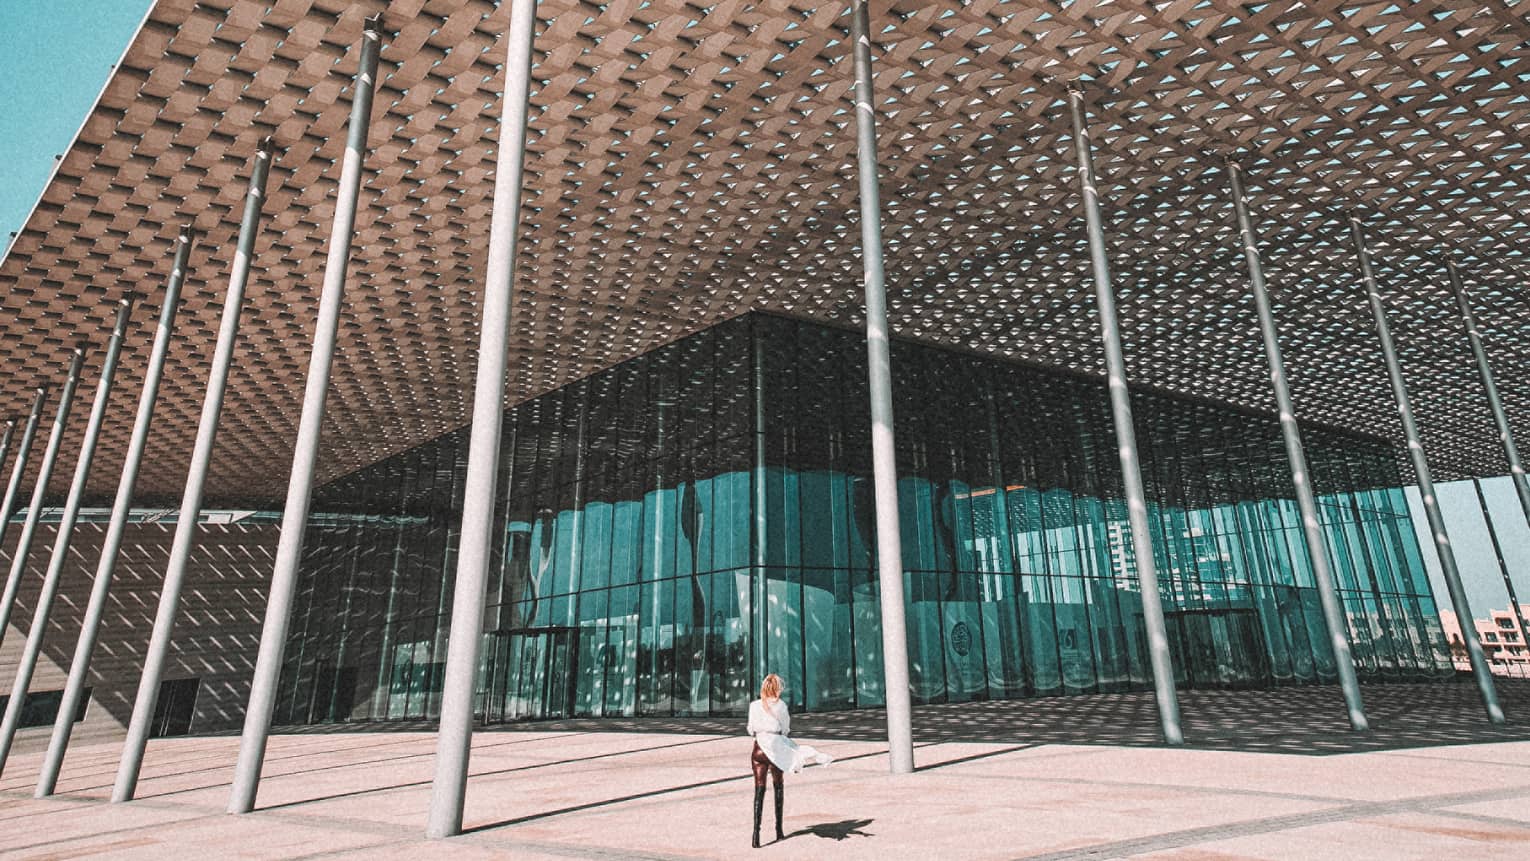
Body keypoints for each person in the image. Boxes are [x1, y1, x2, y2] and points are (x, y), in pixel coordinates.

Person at [746, 673, 833, 848]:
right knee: (778, 786)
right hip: (775, 749)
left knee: (759, 790)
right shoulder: (781, 706)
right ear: (778, 688)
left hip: (758, 749)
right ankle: (778, 830)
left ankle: (756, 835)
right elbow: (785, 729)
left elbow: (750, 728)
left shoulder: (754, 705)